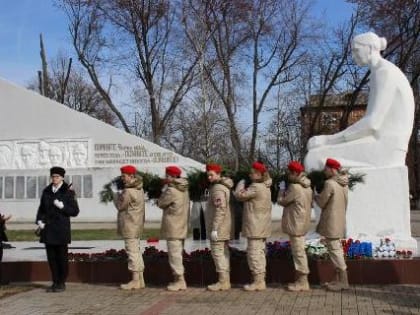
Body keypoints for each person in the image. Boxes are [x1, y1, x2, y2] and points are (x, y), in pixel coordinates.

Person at [305, 32, 415, 170]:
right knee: (316, 153)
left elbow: (372, 123)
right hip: (383, 143)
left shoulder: (384, 73)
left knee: (314, 158)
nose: (353, 56)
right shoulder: (380, 73)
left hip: (387, 148)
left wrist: (328, 140)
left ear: (369, 48)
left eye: (356, 50)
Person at [35, 167, 79, 292]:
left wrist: (63, 206)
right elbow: (42, 208)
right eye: (53, 176)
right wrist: (39, 220)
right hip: (48, 228)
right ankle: (55, 281)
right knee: (51, 258)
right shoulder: (47, 191)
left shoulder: (69, 192)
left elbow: (75, 211)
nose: (55, 179)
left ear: (62, 178)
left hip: (61, 229)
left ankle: (61, 282)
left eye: (57, 177)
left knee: (61, 258)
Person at [234, 162, 272, 291]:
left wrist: (240, 185)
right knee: (260, 253)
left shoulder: (256, 187)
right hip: (261, 225)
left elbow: (239, 195)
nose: (250, 175)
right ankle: (260, 280)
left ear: (259, 174)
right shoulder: (266, 186)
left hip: (255, 225)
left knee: (254, 253)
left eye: (252, 172)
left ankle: (258, 281)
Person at [314, 158, 349, 291]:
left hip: (331, 221)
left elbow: (322, 202)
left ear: (331, 169)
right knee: (336, 249)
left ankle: (344, 281)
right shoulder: (344, 183)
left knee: (335, 250)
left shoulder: (330, 183)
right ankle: (338, 279)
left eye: (326, 168)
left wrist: (316, 195)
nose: (324, 171)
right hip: (339, 219)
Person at [278, 161, 313, 291]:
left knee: (298, 253)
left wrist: (281, 189)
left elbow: (282, 201)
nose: (288, 176)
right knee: (300, 251)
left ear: (295, 173)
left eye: (289, 173)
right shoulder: (307, 186)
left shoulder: (295, 187)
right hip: (302, 222)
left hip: (296, 223)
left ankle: (303, 282)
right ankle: (301, 280)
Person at [112, 165, 145, 290]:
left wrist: (115, 194)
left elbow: (120, 206)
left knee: (132, 252)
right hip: (136, 224)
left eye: (124, 176)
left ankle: (135, 280)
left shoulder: (129, 191)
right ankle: (140, 280)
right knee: (136, 251)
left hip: (130, 224)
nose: (122, 178)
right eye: (122, 176)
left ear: (131, 176)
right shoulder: (139, 188)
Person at [157, 166, 190, 291]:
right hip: (181, 225)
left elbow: (161, 203)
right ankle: (179, 280)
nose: (166, 178)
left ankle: (180, 280)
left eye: (167, 176)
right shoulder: (184, 188)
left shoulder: (171, 190)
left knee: (174, 255)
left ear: (173, 177)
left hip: (173, 226)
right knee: (178, 254)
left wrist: (163, 190)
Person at [205, 163, 234, 291]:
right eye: (208, 175)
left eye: (212, 175)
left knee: (218, 253)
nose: (209, 177)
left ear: (218, 174)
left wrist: (215, 228)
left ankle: (223, 281)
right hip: (225, 226)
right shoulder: (222, 186)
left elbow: (220, 209)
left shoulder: (217, 189)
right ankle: (225, 281)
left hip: (219, 227)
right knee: (223, 253)